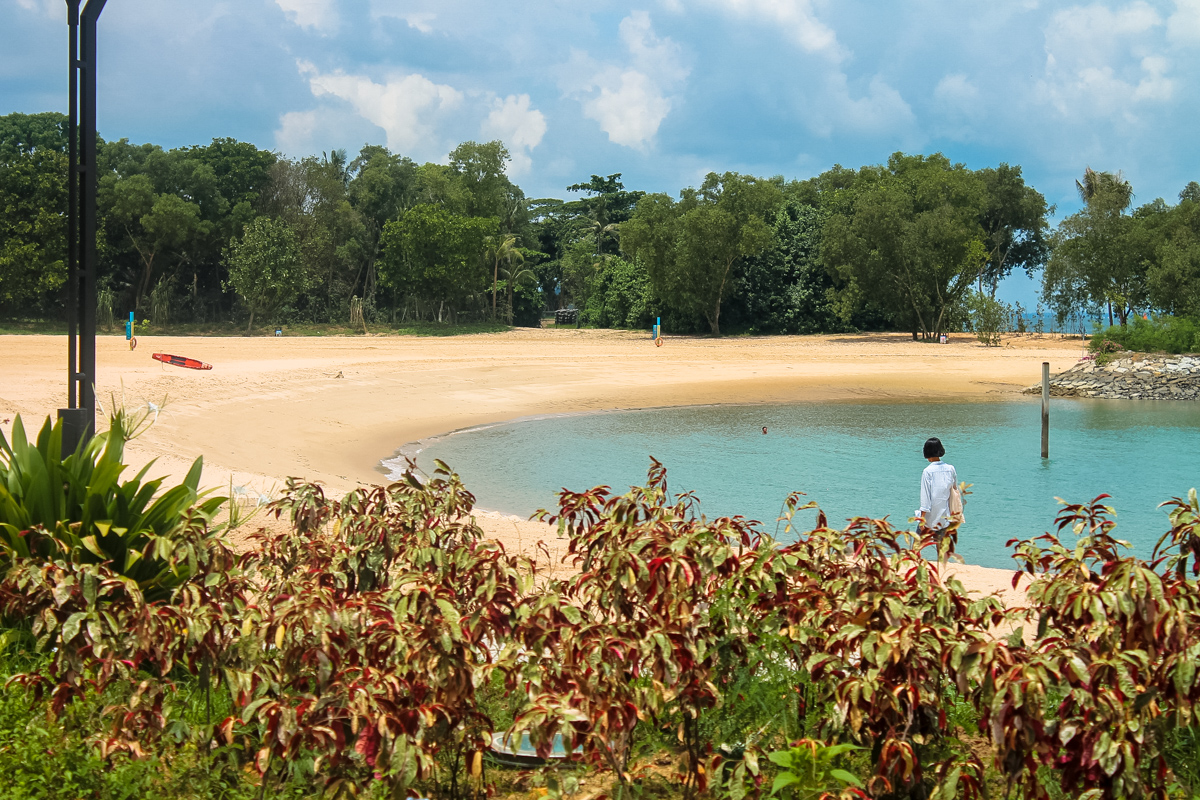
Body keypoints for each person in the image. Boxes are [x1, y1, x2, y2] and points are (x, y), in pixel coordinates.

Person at [916, 437, 958, 534]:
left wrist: (922, 519)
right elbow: (954, 492)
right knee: (941, 547)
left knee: (917, 545)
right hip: (945, 517)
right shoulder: (951, 469)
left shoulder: (927, 472)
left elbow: (925, 499)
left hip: (930, 518)